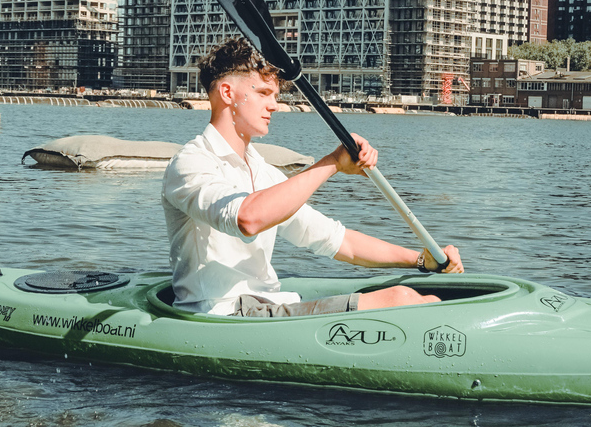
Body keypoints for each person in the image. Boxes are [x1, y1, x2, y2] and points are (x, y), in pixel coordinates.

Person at [162, 37, 463, 317]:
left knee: (420, 297)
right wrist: (332, 163)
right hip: (220, 311)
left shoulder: (264, 172)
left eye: (275, 95)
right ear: (227, 93)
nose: (274, 105)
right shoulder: (191, 163)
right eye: (263, 93)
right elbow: (248, 219)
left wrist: (421, 260)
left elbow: (339, 241)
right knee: (401, 300)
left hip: (267, 305)